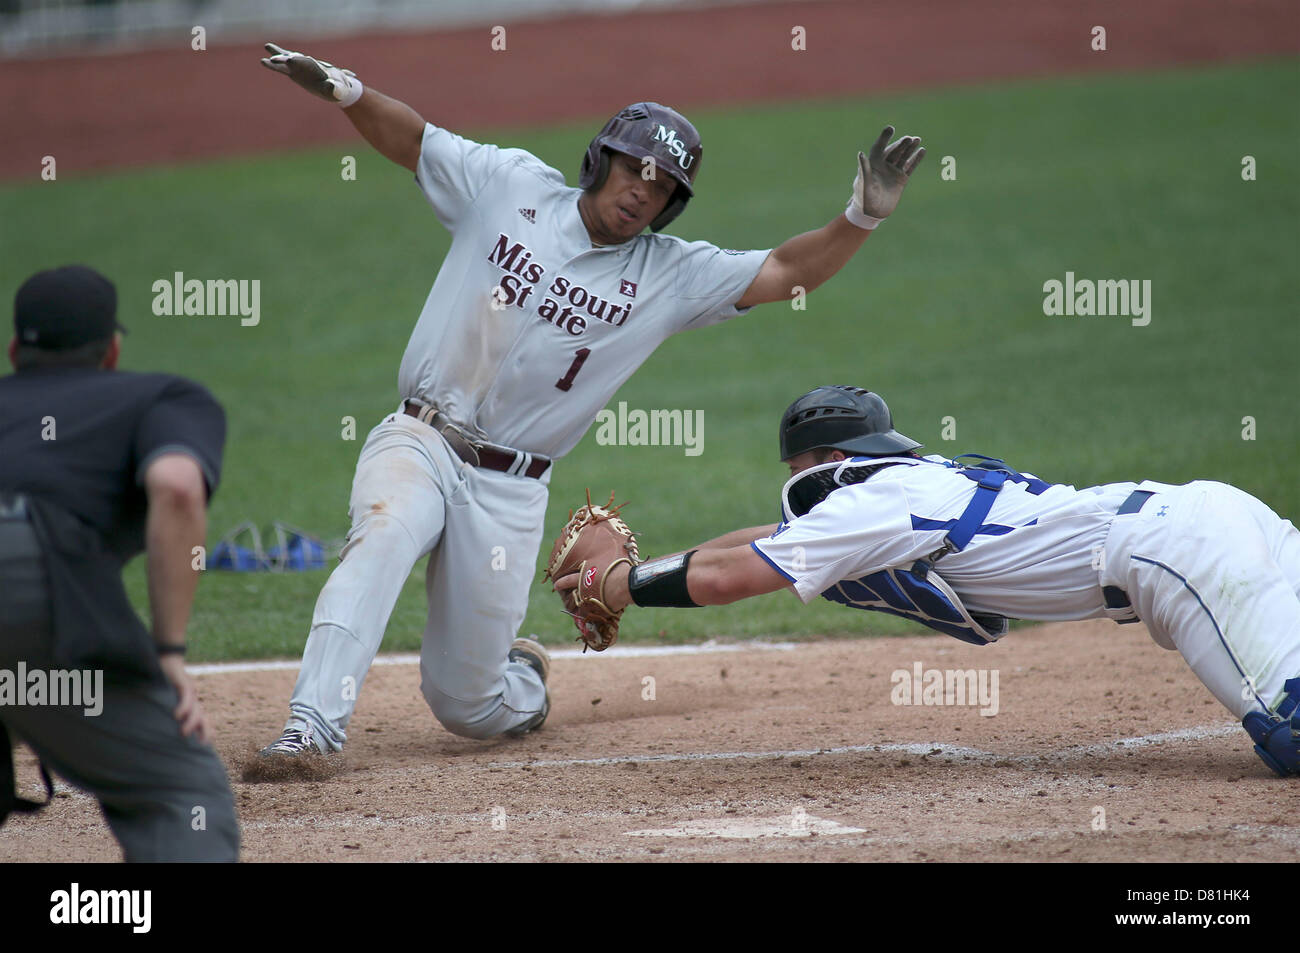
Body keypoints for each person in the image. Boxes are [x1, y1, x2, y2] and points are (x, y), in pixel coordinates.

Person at [255, 43, 927, 756]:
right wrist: (349, 91)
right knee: (382, 534)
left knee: (468, 705)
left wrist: (861, 216)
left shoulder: (667, 275)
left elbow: (787, 268)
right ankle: (312, 728)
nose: (643, 190)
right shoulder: (508, 185)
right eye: (635, 169)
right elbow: (415, 141)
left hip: (510, 491)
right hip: (420, 437)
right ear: (599, 161)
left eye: (664, 186)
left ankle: (522, 677)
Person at [557, 385, 1300, 777]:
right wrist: (648, 568)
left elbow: (729, 578)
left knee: (1291, 734)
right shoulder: (911, 483)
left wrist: (620, 584)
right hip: (1219, 519)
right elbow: (771, 543)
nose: (795, 486)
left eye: (796, 470)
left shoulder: (873, 500)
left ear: (825, 458)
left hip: (1183, 556)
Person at [0, 265, 240, 860]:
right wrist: (170, 654)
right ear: (111, 349)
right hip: (26, 572)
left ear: (13, 351)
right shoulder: (157, 396)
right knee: (179, 791)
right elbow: (179, 485)